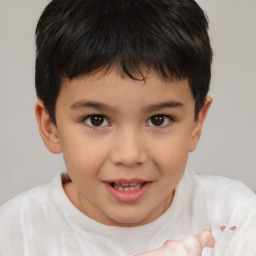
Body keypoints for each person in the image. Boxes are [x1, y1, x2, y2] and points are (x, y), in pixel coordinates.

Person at [0, 0, 255, 255]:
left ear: (195, 125)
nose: (129, 155)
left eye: (159, 120)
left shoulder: (234, 218)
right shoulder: (16, 233)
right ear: (51, 127)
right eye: (96, 120)